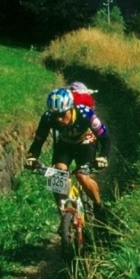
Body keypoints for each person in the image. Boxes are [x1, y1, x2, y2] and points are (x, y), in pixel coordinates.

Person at [26, 87, 112, 220]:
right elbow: (38, 141)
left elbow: (105, 140)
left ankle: (98, 205)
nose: (59, 119)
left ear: (71, 108)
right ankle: (64, 212)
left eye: (62, 114)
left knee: (81, 176)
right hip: (65, 145)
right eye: (55, 115)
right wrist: (32, 157)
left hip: (86, 143)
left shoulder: (86, 114)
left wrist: (103, 157)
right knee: (57, 173)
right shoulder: (48, 117)